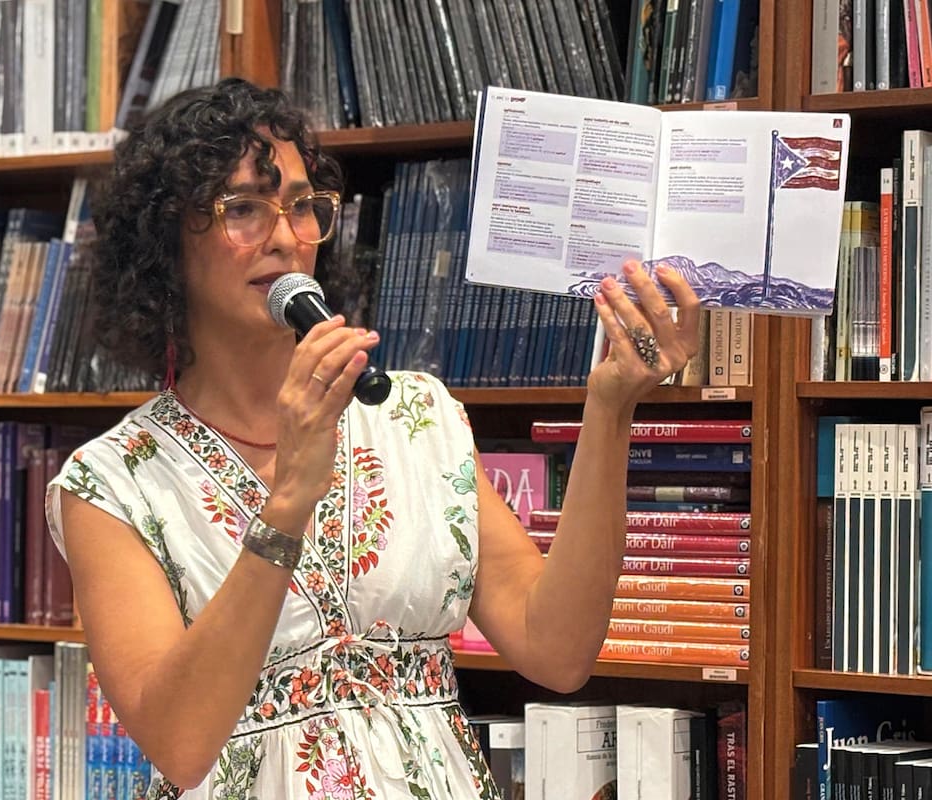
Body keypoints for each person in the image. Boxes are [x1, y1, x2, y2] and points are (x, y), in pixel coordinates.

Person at [46, 77, 701, 799]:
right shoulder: (112, 482)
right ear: (163, 243)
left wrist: (609, 410)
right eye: (243, 210)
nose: (288, 238)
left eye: (302, 206)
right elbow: (179, 742)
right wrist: (289, 498)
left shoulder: (414, 416)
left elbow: (558, 651)